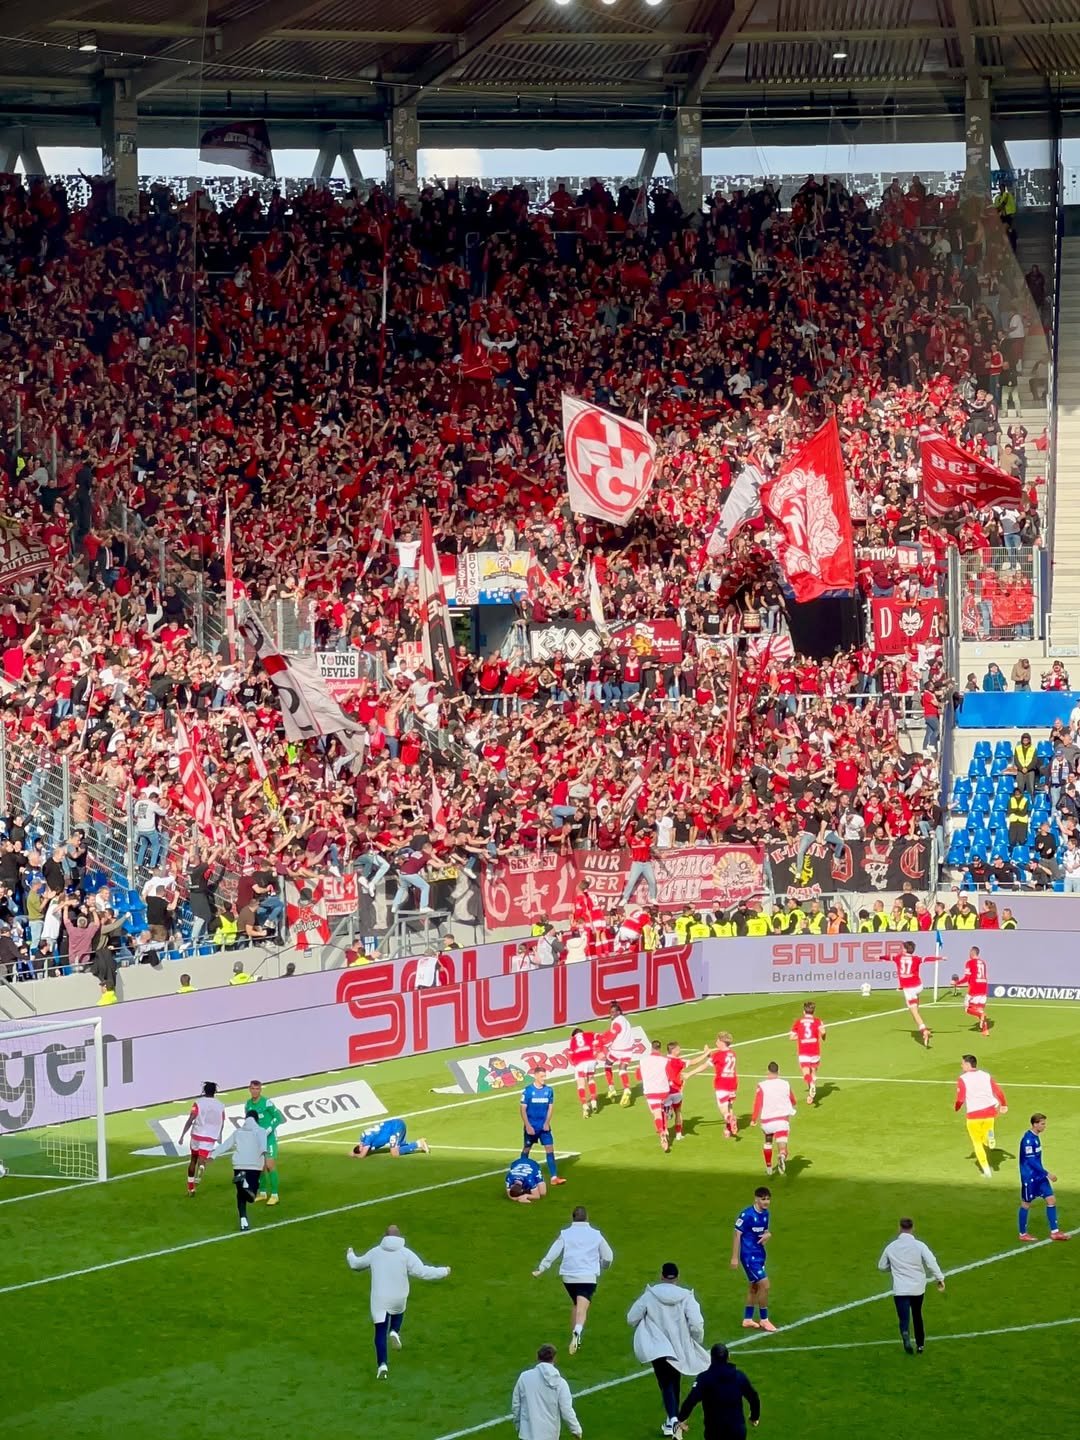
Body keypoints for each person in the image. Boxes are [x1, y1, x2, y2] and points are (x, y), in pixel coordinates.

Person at [345, 1225, 451, 1379]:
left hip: (379, 1299)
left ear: (385, 1236)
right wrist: (444, 1271)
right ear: (399, 1236)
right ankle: (395, 1330)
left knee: (379, 1332)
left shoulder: (375, 1252)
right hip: (399, 1297)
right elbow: (423, 1272)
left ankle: (382, 1365)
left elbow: (356, 1264)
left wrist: (350, 1254)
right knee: (398, 1310)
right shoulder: (406, 1254)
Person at [627, 1261, 710, 1438]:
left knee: (666, 1383)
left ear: (661, 1276)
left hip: (657, 1346)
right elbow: (696, 1323)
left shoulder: (650, 1295)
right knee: (674, 1381)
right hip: (680, 1346)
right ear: (677, 1278)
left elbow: (631, 1318)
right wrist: (697, 1340)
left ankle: (672, 1419)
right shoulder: (686, 1296)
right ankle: (673, 1420)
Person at [533, 1205, 614, 1355]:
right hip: (587, 1277)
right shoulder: (596, 1235)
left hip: (569, 1277)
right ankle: (577, 1330)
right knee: (582, 1308)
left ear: (573, 1217)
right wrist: (604, 1265)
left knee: (576, 1304)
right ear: (587, 1218)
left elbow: (554, 1251)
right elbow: (608, 1256)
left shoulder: (566, 1234)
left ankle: (576, 1335)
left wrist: (542, 1268)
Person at [877, 1217, 945, 1354]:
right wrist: (940, 1278)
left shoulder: (891, 1247)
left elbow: (881, 1266)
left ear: (899, 1228)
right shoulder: (920, 1246)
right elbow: (931, 1262)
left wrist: (894, 1267)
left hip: (900, 1289)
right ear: (913, 1228)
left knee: (903, 1317)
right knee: (917, 1315)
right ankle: (920, 1345)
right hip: (917, 1288)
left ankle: (905, 1333)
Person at [674, 1342, 760, 1438]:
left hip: (714, 1431)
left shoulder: (704, 1378)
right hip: (737, 1430)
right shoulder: (739, 1376)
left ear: (711, 1358)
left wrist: (681, 1419)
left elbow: (691, 1400)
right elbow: (753, 1397)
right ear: (729, 1357)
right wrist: (754, 1416)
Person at [209, 1109, 269, 1232]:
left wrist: (212, 1155)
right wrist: (264, 1152)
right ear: (257, 1120)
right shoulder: (261, 1131)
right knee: (251, 1197)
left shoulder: (238, 1132)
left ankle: (243, 1221)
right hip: (254, 1165)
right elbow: (262, 1143)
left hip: (238, 1165)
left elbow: (226, 1144)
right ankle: (246, 1186)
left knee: (240, 1194)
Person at [511, 1344, 582, 1440]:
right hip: (549, 1436)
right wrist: (576, 1430)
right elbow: (566, 1410)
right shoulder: (560, 1383)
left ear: (537, 1357)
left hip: (526, 1435)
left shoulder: (524, 1377)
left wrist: (519, 1426)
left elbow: (516, 1405)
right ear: (554, 1359)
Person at [1018, 1113, 1070, 1241]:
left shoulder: (1036, 1137)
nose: (1044, 1126)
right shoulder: (1028, 1140)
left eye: (1044, 1123)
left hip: (1039, 1176)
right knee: (1026, 1204)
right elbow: (1031, 1161)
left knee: (1051, 1200)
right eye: (1042, 1124)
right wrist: (1047, 1173)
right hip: (1029, 1177)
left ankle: (1055, 1232)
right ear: (1035, 1124)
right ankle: (1023, 1234)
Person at [730, 1186, 776, 1332]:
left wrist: (768, 1235)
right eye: (763, 1199)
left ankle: (748, 1319)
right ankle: (764, 1320)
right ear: (756, 1199)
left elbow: (765, 1232)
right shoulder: (747, 1215)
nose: (766, 1202)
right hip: (749, 1256)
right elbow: (737, 1234)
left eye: (768, 1199)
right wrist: (734, 1257)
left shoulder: (766, 1214)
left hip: (760, 1254)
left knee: (754, 1287)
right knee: (765, 1285)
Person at [955, 1054, 1008, 1178]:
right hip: (990, 1111)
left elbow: (961, 1098)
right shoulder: (986, 1075)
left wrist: (957, 1107)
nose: (961, 1065)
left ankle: (986, 1171)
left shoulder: (963, 1078)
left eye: (962, 1063)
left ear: (968, 1065)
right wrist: (1004, 1104)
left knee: (977, 1143)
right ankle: (990, 1138)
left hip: (974, 1115)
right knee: (988, 1131)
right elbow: (998, 1091)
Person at [177, 1080, 226, 1196]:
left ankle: (191, 1188)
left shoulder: (198, 1103)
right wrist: (219, 1136)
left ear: (204, 1091)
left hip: (197, 1133)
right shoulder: (220, 1105)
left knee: (193, 1159)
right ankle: (202, 1165)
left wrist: (182, 1135)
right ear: (215, 1092)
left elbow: (191, 1118)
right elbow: (222, 1122)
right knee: (202, 1157)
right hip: (210, 1136)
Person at [521, 1065, 566, 1184]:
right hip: (531, 1126)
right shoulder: (528, 1091)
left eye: (544, 1076)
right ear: (535, 1076)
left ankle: (554, 1177)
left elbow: (550, 1108)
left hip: (544, 1127)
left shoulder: (549, 1091)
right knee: (526, 1149)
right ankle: (520, 1173)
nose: (544, 1079)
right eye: (541, 1076)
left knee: (550, 1149)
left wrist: (547, 1122)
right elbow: (523, 1109)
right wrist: (528, 1125)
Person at [749, 1062, 796, 1176]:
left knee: (768, 1141)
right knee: (782, 1145)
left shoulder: (762, 1085)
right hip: (781, 1120)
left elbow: (757, 1103)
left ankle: (769, 1167)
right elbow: (793, 1100)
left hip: (767, 1121)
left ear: (767, 1072)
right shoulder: (785, 1084)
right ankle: (782, 1156)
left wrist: (754, 1119)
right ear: (778, 1072)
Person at [246, 1079, 284, 1205]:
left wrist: (268, 1130)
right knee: (260, 1167)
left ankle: (274, 1194)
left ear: (260, 1090)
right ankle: (262, 1192)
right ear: (249, 1089)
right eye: (253, 1088)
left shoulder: (267, 1103)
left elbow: (278, 1118)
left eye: (257, 1089)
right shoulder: (248, 1105)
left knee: (269, 1165)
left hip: (269, 1139)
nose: (255, 1091)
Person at [893, 940, 932, 1046]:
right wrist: (941, 958)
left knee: (913, 1011)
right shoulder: (916, 959)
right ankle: (919, 1019)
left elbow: (888, 957)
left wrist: (879, 957)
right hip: (918, 986)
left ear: (905, 949)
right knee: (915, 1008)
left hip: (908, 988)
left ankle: (924, 1030)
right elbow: (928, 959)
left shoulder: (899, 957)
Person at [789, 1001, 826, 1103]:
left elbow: (791, 1037)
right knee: (813, 1073)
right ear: (813, 1011)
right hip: (815, 1050)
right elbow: (823, 1032)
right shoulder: (817, 1021)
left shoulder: (798, 1022)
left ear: (804, 1011)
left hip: (804, 1051)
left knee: (806, 1073)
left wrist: (801, 1037)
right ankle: (811, 1096)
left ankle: (811, 1086)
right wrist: (823, 1037)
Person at [603, 1001, 637, 1106]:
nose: (611, 1014)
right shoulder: (625, 1021)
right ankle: (626, 1088)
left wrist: (605, 1044)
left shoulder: (617, 1022)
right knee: (622, 1069)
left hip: (617, 1049)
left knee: (607, 1064)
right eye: (610, 1012)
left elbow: (613, 1034)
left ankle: (611, 1087)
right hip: (628, 1050)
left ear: (618, 1012)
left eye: (613, 1012)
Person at [952, 945, 990, 1035]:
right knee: (979, 1009)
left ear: (973, 952)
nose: (969, 954)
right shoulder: (983, 963)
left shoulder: (970, 963)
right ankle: (985, 1030)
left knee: (967, 1008)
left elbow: (966, 978)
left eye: (970, 952)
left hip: (975, 988)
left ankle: (980, 1016)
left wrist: (956, 983)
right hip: (984, 987)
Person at [709, 1032, 739, 1138]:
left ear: (722, 1042)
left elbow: (705, 1065)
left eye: (717, 1040)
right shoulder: (733, 1053)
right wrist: (710, 1055)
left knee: (723, 1109)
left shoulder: (717, 1054)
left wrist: (689, 1074)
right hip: (732, 1083)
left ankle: (729, 1119)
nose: (716, 1042)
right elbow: (718, 1062)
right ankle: (728, 1129)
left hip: (722, 1084)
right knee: (729, 1106)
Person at [352, 1118, 430, 1157]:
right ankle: (415, 1144)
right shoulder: (365, 1138)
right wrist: (353, 1153)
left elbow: (362, 1155)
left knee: (394, 1153)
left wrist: (356, 1155)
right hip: (395, 1125)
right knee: (397, 1148)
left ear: (361, 1145)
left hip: (395, 1128)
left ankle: (419, 1143)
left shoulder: (367, 1140)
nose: (366, 1150)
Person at [568, 1026, 598, 1118]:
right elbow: (598, 1038)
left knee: (580, 1084)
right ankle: (593, 1101)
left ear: (574, 1035)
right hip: (590, 1060)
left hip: (580, 1062)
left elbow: (570, 1055)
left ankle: (585, 1104)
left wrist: (573, 1063)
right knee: (591, 1080)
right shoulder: (589, 1034)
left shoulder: (573, 1040)